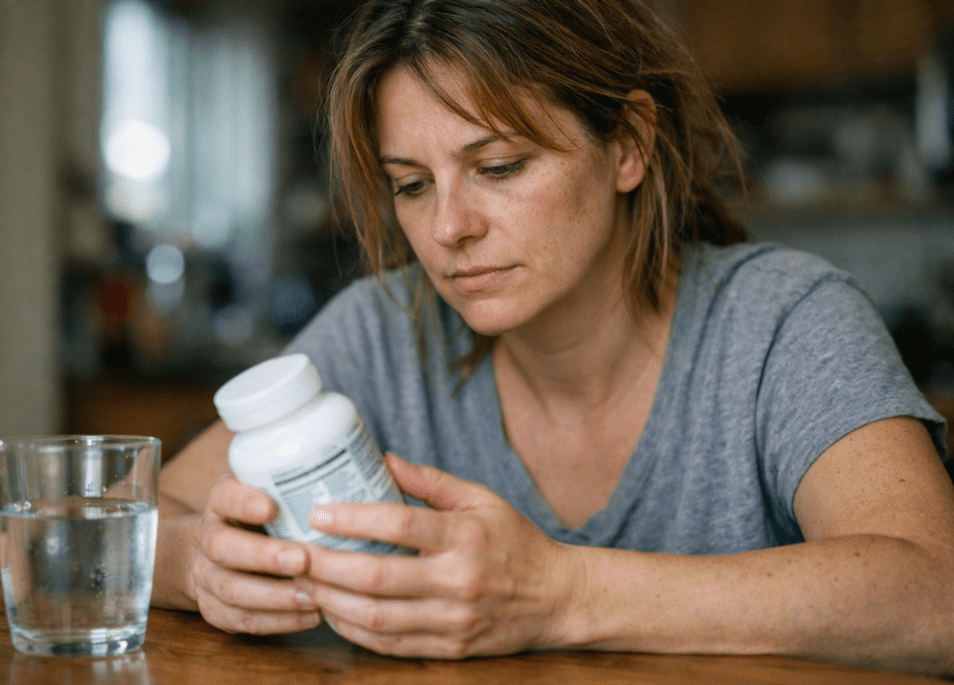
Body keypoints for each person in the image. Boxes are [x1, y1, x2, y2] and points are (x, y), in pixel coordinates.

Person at [152, 0, 954, 674]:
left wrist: (559, 592)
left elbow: (936, 593)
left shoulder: (784, 320)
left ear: (629, 145)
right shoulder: (385, 329)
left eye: (498, 167)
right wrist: (198, 562)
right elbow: (140, 517)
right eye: (411, 185)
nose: (448, 228)